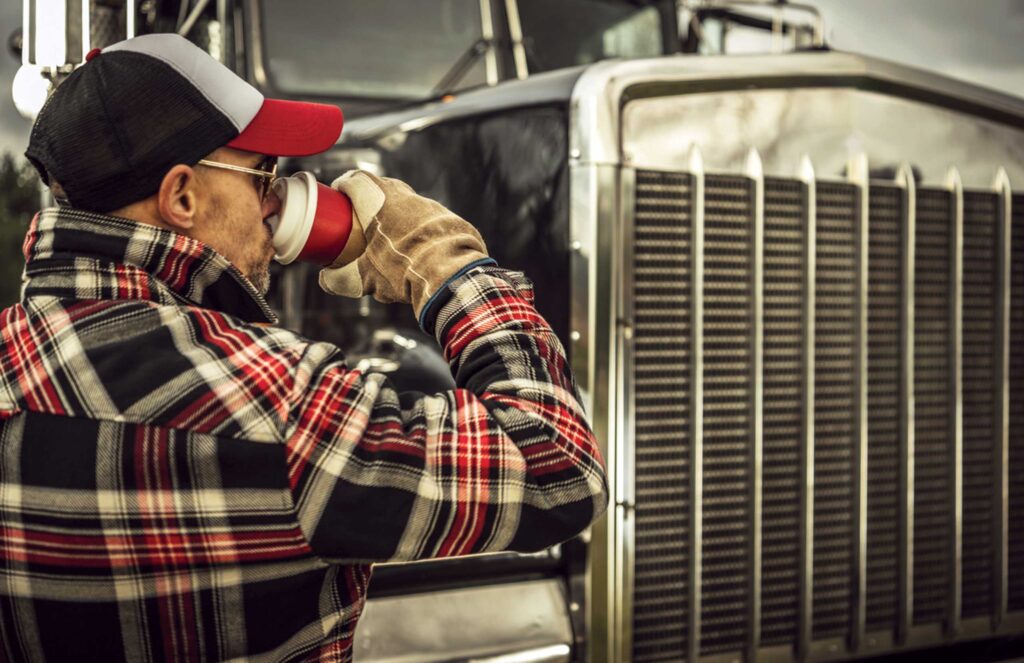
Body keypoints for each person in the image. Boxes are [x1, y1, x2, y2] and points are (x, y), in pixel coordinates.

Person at [0, 33, 608, 661]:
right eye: (262, 175)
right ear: (182, 196)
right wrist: (449, 270)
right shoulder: (271, 406)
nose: (276, 200)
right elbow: (558, 468)